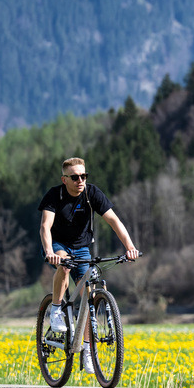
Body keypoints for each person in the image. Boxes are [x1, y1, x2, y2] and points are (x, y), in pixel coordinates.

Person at [38, 157, 140, 371]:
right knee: (64, 266)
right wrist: (49, 252)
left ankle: (87, 350)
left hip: (82, 248)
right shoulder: (54, 195)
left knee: (89, 296)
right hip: (58, 245)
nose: (80, 180)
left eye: (84, 176)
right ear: (64, 179)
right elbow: (45, 226)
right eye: (75, 177)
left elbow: (114, 220)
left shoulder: (92, 194)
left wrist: (130, 247)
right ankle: (56, 308)